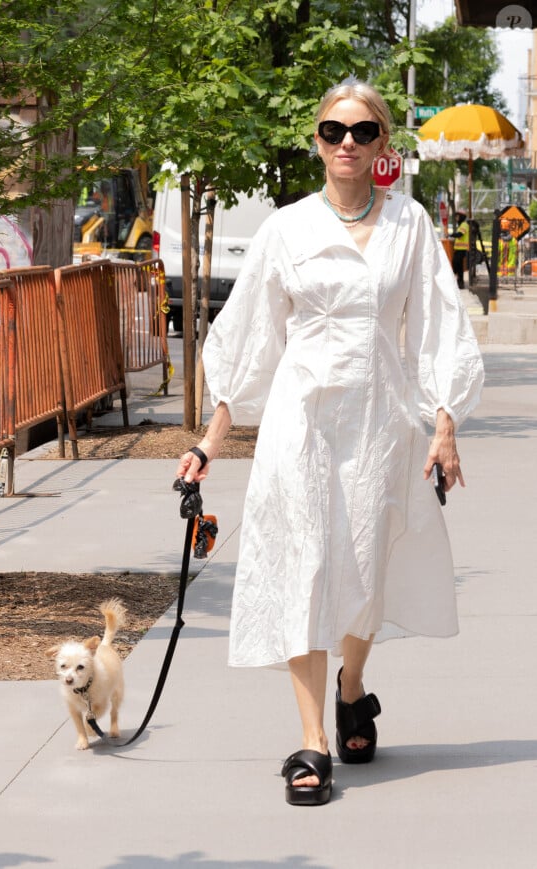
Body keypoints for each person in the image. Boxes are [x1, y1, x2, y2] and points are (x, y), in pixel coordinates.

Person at [176, 80, 484, 807]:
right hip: (301, 425)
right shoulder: (287, 230)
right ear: (316, 140)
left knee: (363, 567)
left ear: (383, 145)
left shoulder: (410, 225)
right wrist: (210, 442)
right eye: (332, 129)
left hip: (381, 424)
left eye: (363, 131)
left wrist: (445, 428)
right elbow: (251, 338)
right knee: (304, 567)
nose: (347, 141)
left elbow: (439, 326)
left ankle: (353, 686)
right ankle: (312, 739)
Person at [451, 210, 470, 289]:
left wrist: (451, 235)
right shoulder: (461, 225)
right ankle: (458, 282)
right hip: (458, 249)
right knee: (457, 266)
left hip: (462, 249)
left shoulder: (464, 225)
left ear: (461, 217)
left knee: (458, 266)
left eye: (457, 216)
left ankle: (459, 283)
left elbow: (460, 234)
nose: (456, 218)